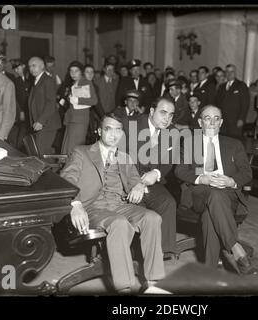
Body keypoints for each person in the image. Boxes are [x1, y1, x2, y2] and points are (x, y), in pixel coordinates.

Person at [60, 113, 165, 293]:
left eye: (118, 130)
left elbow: (134, 180)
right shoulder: (82, 152)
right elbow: (66, 179)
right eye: (109, 129)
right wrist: (75, 205)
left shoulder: (125, 157)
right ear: (99, 131)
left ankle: (153, 282)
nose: (113, 134)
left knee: (152, 218)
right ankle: (124, 287)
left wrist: (139, 186)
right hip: (92, 207)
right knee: (119, 223)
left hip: (119, 204)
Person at [175, 105, 256, 274]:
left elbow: (247, 172)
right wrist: (202, 178)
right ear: (200, 122)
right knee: (214, 194)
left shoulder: (233, 144)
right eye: (207, 118)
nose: (212, 122)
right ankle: (235, 247)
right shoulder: (191, 143)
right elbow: (180, 171)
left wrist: (231, 181)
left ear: (221, 122)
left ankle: (208, 272)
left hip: (228, 195)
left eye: (216, 118)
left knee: (209, 215)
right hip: (199, 193)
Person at [127, 98, 178, 259]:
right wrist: (137, 183)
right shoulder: (130, 125)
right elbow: (120, 160)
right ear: (151, 111)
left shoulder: (172, 132)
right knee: (139, 205)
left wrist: (156, 172)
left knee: (168, 203)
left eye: (171, 115)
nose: (167, 118)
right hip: (127, 180)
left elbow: (169, 160)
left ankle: (160, 253)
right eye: (163, 113)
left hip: (150, 180)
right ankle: (135, 253)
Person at [61, 61, 98, 155]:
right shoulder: (72, 83)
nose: (73, 73)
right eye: (71, 71)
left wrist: (77, 100)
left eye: (76, 71)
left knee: (73, 149)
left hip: (80, 120)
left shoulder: (86, 82)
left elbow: (94, 101)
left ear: (81, 72)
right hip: (71, 120)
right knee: (66, 148)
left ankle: (72, 169)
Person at [28, 56, 61, 155]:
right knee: (41, 152)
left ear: (42, 66)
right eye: (29, 66)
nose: (31, 69)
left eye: (34, 65)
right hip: (40, 124)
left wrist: (40, 121)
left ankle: (51, 170)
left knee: (41, 153)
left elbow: (51, 103)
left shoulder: (48, 80)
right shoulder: (37, 80)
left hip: (47, 124)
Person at [215, 64, 250, 139]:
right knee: (223, 140)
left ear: (235, 73)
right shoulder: (222, 86)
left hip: (235, 120)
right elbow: (218, 103)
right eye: (227, 71)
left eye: (232, 71)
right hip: (223, 120)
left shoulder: (241, 85)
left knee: (234, 141)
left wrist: (241, 119)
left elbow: (245, 104)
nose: (229, 73)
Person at [7, 59, 31, 151]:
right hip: (22, 112)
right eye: (15, 69)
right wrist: (20, 111)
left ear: (24, 66)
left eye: (18, 68)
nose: (16, 71)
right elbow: (15, 98)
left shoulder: (31, 79)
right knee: (22, 132)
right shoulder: (16, 81)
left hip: (32, 112)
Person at [84, 64, 105, 145]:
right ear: (83, 73)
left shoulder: (94, 86)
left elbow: (97, 103)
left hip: (91, 116)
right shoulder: (79, 85)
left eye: (92, 72)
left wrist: (103, 116)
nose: (90, 74)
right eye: (87, 72)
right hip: (81, 116)